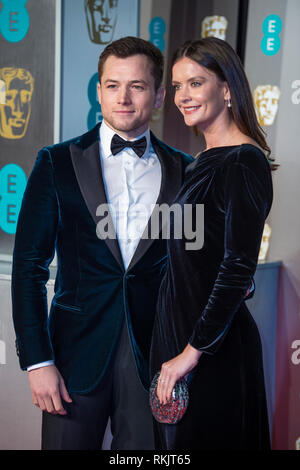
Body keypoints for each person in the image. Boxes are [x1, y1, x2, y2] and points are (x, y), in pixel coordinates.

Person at [11, 36, 193, 450]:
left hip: (153, 358)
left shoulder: (186, 171)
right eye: (112, 85)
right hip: (74, 355)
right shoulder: (56, 162)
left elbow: (193, 268)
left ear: (160, 94)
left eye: (138, 86)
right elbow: (29, 269)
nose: (124, 98)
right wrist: (38, 361)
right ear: (99, 90)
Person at [150, 37, 273, 450]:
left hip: (211, 354)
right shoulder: (201, 160)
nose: (183, 96)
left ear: (226, 88)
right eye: (178, 85)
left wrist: (192, 352)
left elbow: (238, 266)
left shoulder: (243, 161)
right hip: (183, 342)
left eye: (196, 83)